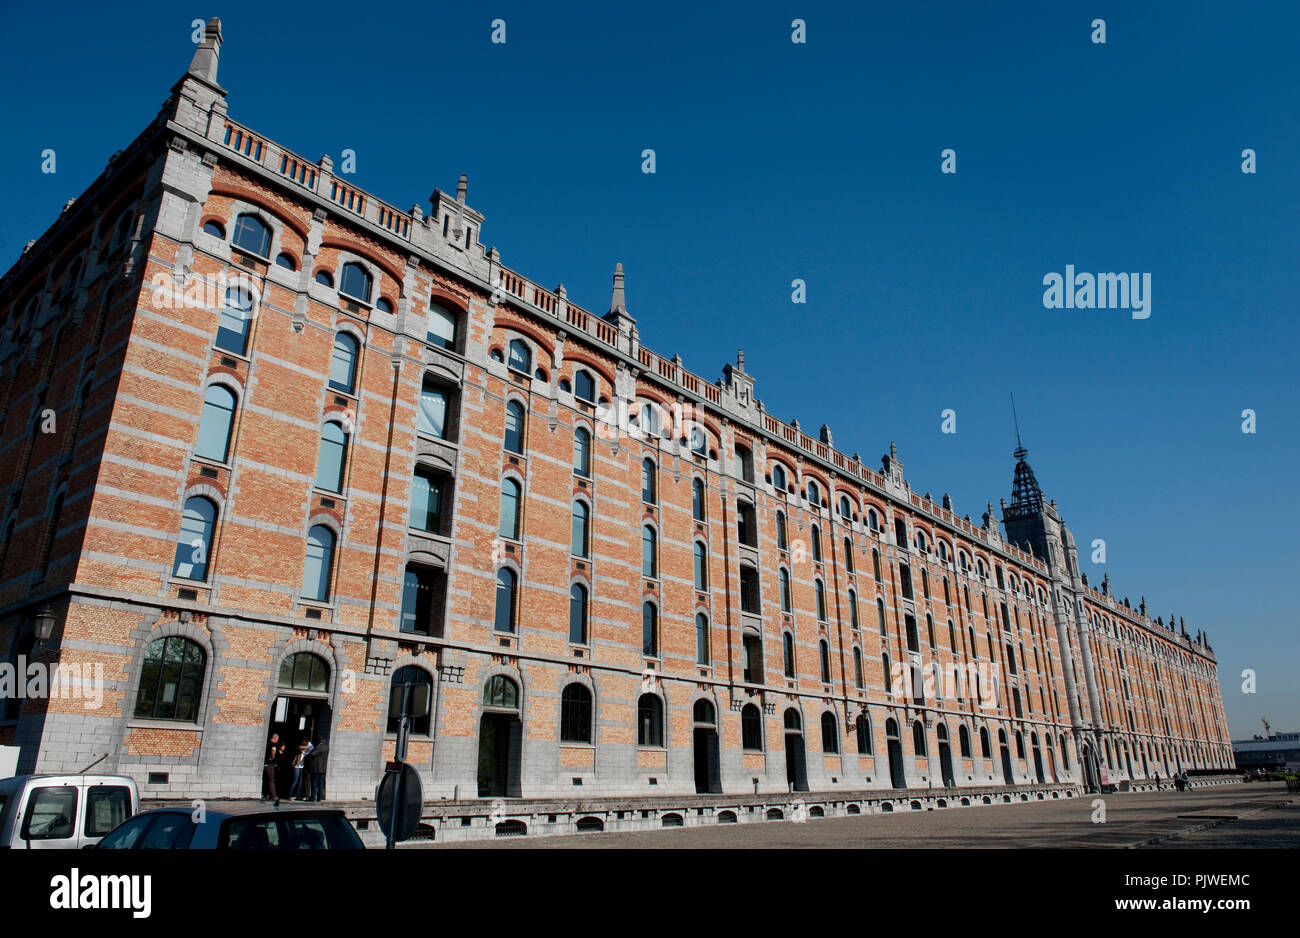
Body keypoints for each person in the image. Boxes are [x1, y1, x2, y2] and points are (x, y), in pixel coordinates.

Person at [308, 737, 330, 802]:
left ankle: (313, 797)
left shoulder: (318, 747)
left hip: (316, 768)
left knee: (314, 783)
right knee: (321, 783)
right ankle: (319, 797)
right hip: (323, 768)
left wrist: (310, 751)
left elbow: (312, 754)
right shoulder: (327, 747)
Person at [263, 733, 281, 806]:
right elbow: (273, 750)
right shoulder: (273, 744)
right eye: (277, 739)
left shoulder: (267, 743)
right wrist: (272, 757)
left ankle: (265, 794)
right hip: (269, 764)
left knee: (265, 780)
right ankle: (273, 795)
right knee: (271, 780)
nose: (278, 740)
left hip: (264, 764)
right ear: (275, 738)